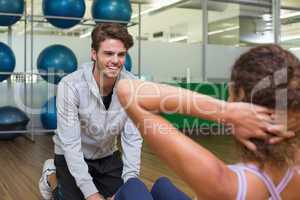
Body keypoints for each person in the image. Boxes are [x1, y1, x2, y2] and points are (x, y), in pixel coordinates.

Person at [115, 44, 300, 199]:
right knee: (162, 185)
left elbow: (127, 90)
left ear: (239, 102)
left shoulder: (225, 184)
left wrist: (226, 112)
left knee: (132, 186)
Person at [39, 23, 142, 200]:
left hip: (106, 155)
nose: (116, 60)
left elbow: (132, 138)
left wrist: (128, 186)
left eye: (121, 54)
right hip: (71, 154)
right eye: (109, 53)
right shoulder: (70, 85)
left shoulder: (132, 85)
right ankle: (51, 176)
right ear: (94, 54)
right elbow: (71, 144)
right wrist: (91, 194)